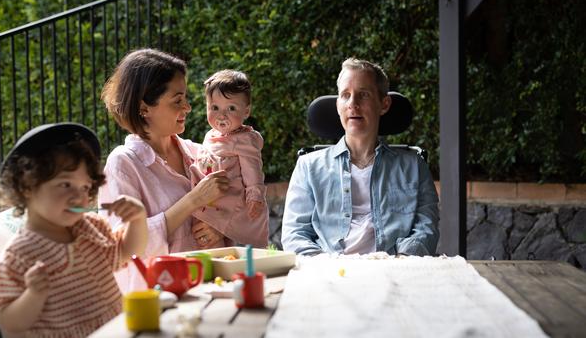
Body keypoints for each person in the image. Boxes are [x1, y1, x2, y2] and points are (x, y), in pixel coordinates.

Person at [0, 123, 148, 337]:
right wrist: (34, 294)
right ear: (26, 186)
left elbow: (127, 251)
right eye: (65, 185)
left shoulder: (91, 227)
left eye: (84, 187)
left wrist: (138, 219)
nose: (79, 197)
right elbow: (11, 321)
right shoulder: (20, 254)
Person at [98, 49, 230, 290]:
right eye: (177, 100)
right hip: (158, 299)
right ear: (143, 108)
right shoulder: (124, 164)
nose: (188, 107)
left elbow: (233, 214)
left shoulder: (198, 153)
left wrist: (217, 227)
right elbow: (123, 249)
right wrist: (193, 200)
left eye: (186, 98)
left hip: (211, 286)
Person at [281, 58, 439, 256]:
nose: (352, 104)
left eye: (363, 95)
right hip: (330, 273)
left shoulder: (414, 167)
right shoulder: (308, 167)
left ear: (384, 104)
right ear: (338, 105)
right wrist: (327, 267)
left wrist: (401, 262)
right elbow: (295, 234)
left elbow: (426, 229)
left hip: (394, 270)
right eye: (345, 95)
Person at [189, 70, 269, 248]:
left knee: (231, 244)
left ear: (246, 111)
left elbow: (252, 170)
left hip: (233, 202)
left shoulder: (244, 140)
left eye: (231, 108)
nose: (221, 115)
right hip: (212, 201)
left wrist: (254, 196)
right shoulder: (210, 135)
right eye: (214, 108)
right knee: (210, 245)